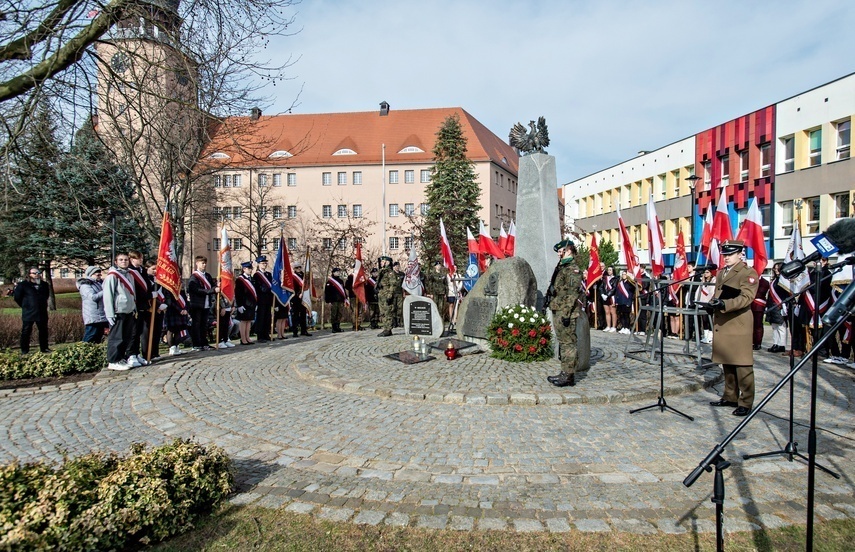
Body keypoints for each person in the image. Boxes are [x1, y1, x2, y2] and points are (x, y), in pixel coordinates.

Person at [708, 240, 759, 416]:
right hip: (724, 322)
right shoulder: (723, 273)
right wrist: (713, 303)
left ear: (740, 254)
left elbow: (746, 298)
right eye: (725, 254)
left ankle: (746, 401)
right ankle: (730, 396)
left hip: (738, 324)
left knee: (742, 365)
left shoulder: (748, 273)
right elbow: (720, 294)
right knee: (727, 363)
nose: (726, 257)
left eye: (730, 254)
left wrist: (724, 303)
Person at [546, 239, 585, 387]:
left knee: (568, 343)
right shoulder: (563, 267)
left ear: (568, 251)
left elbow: (572, 293)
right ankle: (565, 372)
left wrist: (566, 313)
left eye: (560, 251)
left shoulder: (572, 269)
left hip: (565, 311)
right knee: (563, 343)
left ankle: (568, 375)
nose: (558, 254)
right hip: (559, 308)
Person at [103, 253, 137, 370]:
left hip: (129, 310)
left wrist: (134, 307)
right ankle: (113, 360)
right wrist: (110, 313)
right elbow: (108, 296)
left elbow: (133, 293)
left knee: (126, 337)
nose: (124, 262)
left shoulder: (130, 275)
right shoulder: (112, 276)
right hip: (118, 310)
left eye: (126, 260)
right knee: (117, 337)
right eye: (121, 260)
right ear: (116, 262)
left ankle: (121, 358)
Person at [14, 266, 50, 354]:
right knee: (26, 331)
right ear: (29, 274)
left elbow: (46, 296)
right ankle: (25, 350)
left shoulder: (44, 285)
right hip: (29, 312)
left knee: (43, 330)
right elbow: (17, 297)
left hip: (41, 312)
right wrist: (25, 306)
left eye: (38, 273)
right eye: (34, 273)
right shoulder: (23, 285)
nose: (37, 275)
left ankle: (44, 348)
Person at [187, 256, 219, 351]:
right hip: (197, 304)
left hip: (206, 303)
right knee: (196, 325)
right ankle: (196, 344)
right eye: (202, 263)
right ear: (197, 263)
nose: (204, 265)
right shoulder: (194, 277)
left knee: (204, 325)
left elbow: (213, 286)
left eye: (205, 263)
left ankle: (204, 343)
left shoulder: (208, 276)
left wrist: (217, 286)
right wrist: (211, 290)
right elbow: (196, 290)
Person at [127, 250, 152, 367]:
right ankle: (131, 354)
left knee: (139, 330)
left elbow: (147, 285)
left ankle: (137, 354)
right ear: (132, 259)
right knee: (133, 331)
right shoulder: (130, 271)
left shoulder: (142, 271)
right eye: (139, 258)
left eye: (141, 258)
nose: (141, 260)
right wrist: (150, 295)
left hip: (143, 305)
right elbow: (136, 290)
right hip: (135, 304)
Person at [77, 266, 108, 344]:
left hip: (101, 316)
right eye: (97, 275)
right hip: (92, 316)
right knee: (90, 337)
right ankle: (83, 353)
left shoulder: (99, 284)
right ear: (91, 274)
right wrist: (105, 290)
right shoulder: (85, 285)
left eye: (100, 275)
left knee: (98, 338)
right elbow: (93, 297)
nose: (100, 276)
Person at [765, 262, 789, 353]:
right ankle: (775, 343)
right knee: (774, 326)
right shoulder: (774, 280)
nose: (776, 270)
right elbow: (770, 295)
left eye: (778, 268)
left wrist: (784, 305)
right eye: (775, 268)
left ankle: (781, 345)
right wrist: (767, 305)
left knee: (781, 326)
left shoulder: (785, 280)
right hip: (772, 305)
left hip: (780, 305)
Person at [235, 261, 257, 345]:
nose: (250, 270)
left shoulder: (251, 279)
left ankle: (247, 337)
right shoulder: (240, 280)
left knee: (249, 321)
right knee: (243, 321)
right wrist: (239, 305)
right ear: (244, 269)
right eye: (248, 268)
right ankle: (243, 338)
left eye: (251, 268)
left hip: (251, 304)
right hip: (244, 304)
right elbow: (238, 293)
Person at [252, 256, 273, 342]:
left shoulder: (269, 274)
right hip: (261, 299)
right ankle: (260, 336)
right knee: (261, 317)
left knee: (267, 317)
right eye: (262, 263)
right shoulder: (256, 275)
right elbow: (257, 288)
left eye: (265, 263)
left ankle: (266, 334)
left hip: (268, 299)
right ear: (259, 264)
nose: (264, 265)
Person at [375, 256, 396, 336]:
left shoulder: (390, 272)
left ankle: (388, 329)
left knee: (388, 312)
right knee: (382, 312)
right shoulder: (381, 271)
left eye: (383, 261)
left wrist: (390, 295)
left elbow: (393, 284)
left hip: (386, 293)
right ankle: (385, 327)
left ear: (387, 262)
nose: (381, 263)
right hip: (381, 293)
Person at [290, 264, 312, 337]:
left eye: (300, 267)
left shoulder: (304, 276)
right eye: (297, 267)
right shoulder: (293, 277)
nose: (299, 269)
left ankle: (304, 330)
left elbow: (307, 285)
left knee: (303, 315)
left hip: (304, 298)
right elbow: (292, 288)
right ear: (294, 269)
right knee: (295, 316)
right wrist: (298, 294)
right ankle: (295, 331)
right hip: (296, 298)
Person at [751, 273, 771, 350]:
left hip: (758, 306)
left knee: (758, 325)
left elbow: (760, 293)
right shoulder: (749, 280)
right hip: (749, 305)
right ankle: (751, 341)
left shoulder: (764, 282)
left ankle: (757, 343)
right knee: (750, 325)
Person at [614, 270, 635, 334]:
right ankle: (623, 327)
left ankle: (627, 328)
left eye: (625, 274)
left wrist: (629, 302)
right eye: (622, 274)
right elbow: (617, 293)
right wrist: (616, 301)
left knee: (626, 315)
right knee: (621, 315)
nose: (623, 276)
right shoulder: (620, 283)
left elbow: (631, 294)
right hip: (620, 301)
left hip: (626, 301)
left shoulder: (629, 283)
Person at [598, 266, 617, 332]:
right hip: (604, 297)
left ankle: (614, 327)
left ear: (613, 271)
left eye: (610, 270)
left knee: (612, 312)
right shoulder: (605, 278)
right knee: (607, 312)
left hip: (611, 297)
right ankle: (608, 326)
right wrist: (602, 294)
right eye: (608, 270)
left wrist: (607, 295)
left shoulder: (615, 279)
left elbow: (614, 288)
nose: (609, 271)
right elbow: (601, 287)